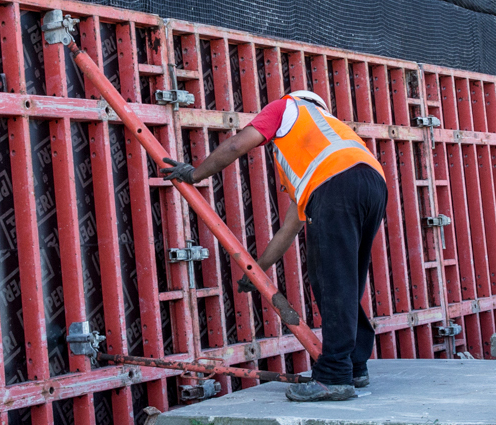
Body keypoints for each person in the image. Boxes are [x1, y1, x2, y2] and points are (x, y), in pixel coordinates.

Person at [156, 90, 385, 402]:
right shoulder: (327, 138)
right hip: (373, 185)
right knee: (346, 279)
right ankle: (355, 366)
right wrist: (258, 272)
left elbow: (238, 144)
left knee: (332, 281)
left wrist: (195, 173)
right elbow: (289, 229)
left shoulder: (287, 108)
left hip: (339, 187)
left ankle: (333, 377)